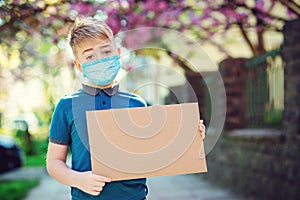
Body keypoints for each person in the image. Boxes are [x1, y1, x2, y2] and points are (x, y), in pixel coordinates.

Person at [46, 16, 206, 200]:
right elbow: (54, 162)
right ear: (78, 65)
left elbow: (153, 152)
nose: (100, 59)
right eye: (90, 56)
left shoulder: (136, 104)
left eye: (106, 51)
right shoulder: (67, 106)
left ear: (118, 52)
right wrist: (78, 179)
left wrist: (190, 136)